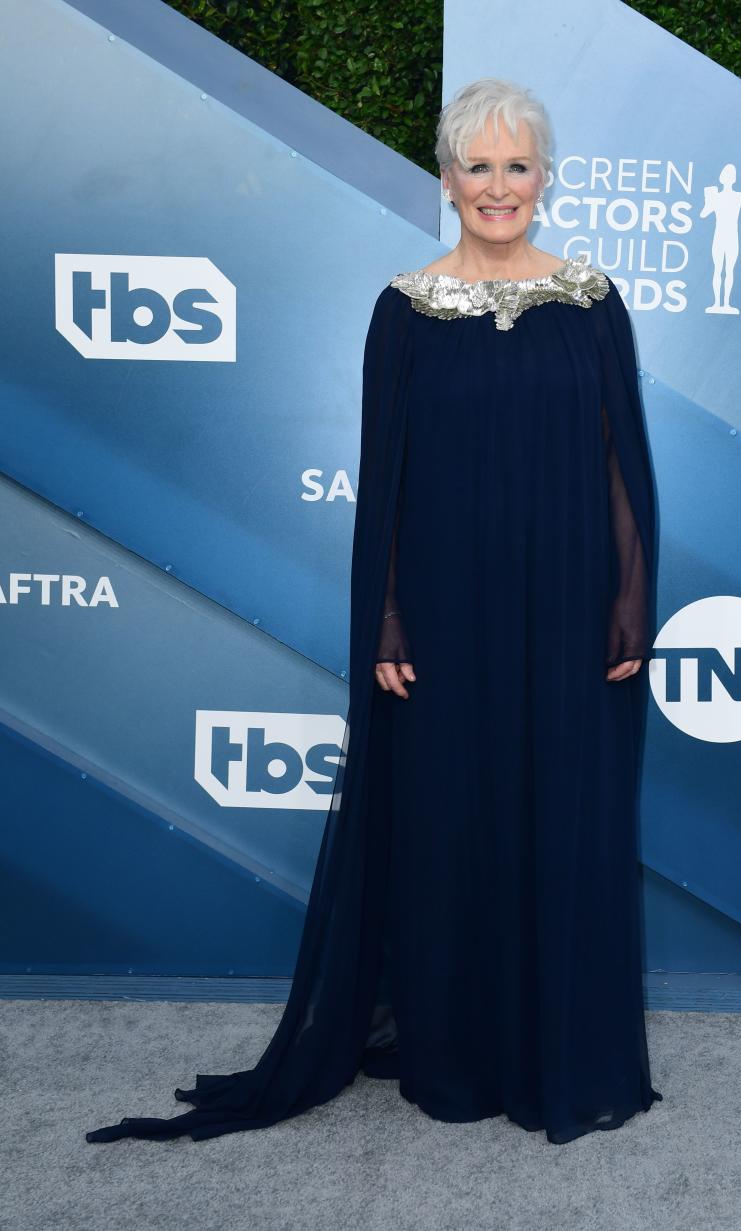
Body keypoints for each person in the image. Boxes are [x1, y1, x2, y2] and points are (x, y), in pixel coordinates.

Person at [86, 77, 662, 1147]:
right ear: (446, 182)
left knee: (558, 812)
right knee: (449, 818)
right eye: (477, 166)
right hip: (445, 607)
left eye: (516, 165)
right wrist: (388, 615)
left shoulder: (594, 300)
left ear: (546, 179)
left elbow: (620, 459)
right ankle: (458, 1050)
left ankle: (552, 1045)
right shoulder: (405, 310)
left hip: (567, 602)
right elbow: (385, 480)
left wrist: (630, 597)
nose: (498, 186)